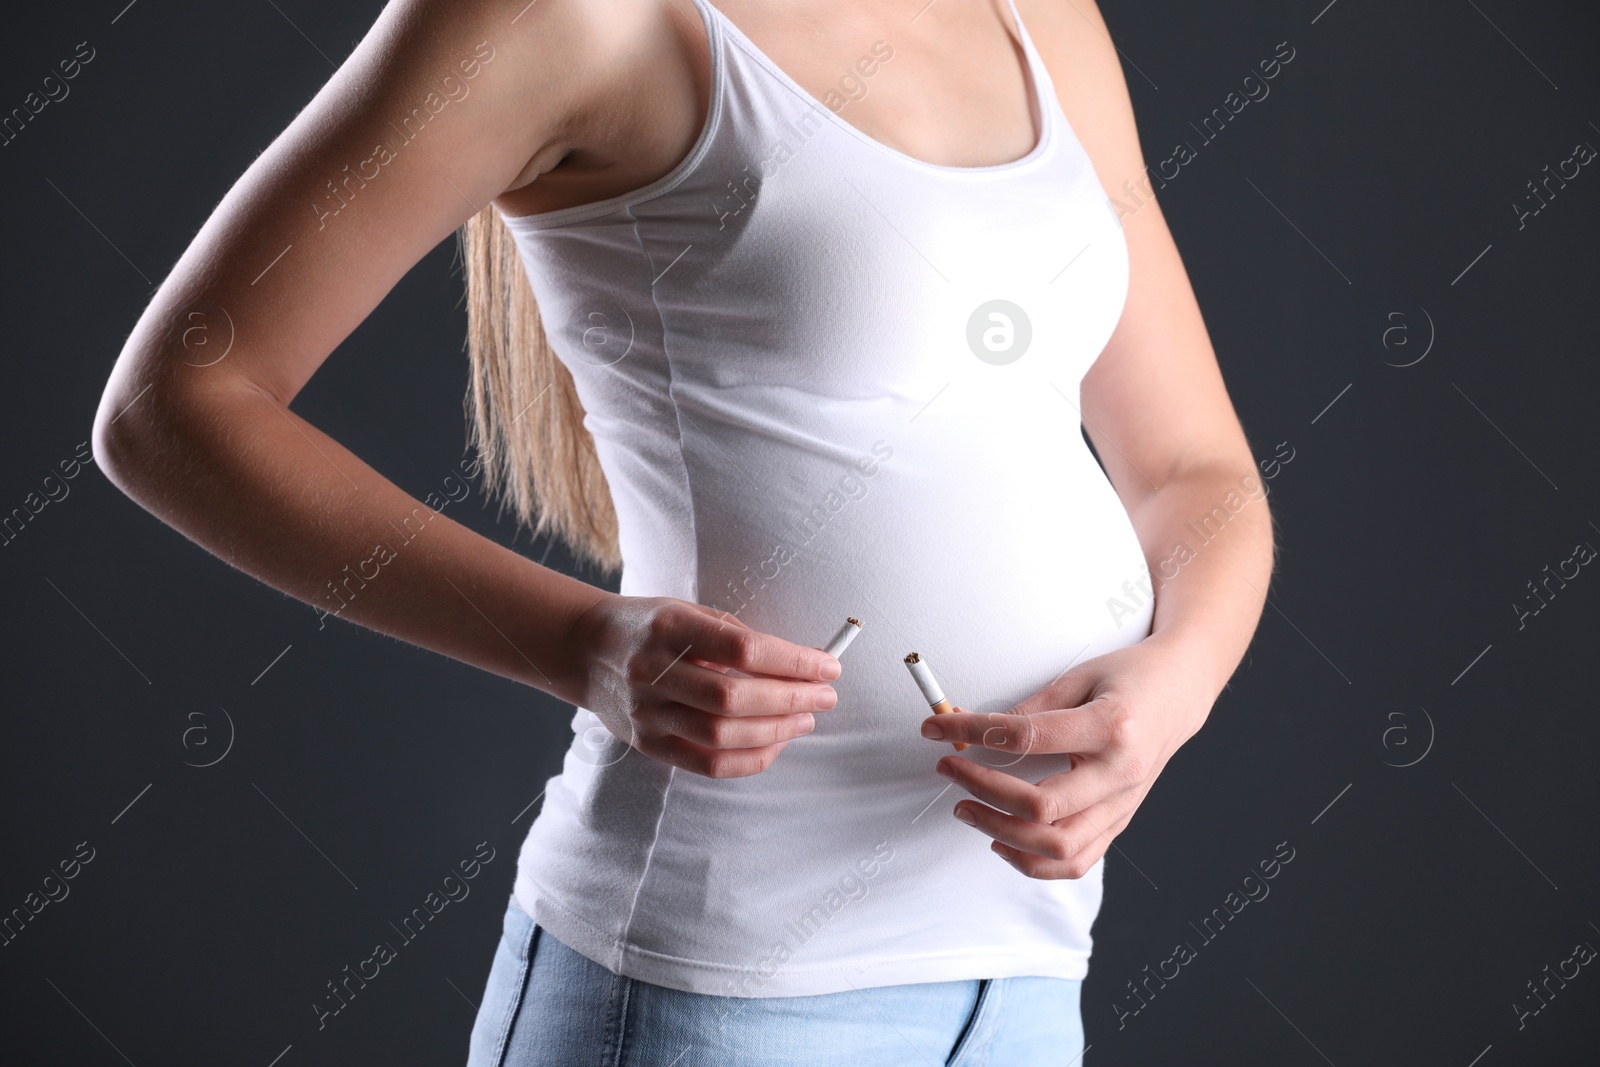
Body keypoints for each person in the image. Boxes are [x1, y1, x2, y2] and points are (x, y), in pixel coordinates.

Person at [92, 0, 1275, 1062]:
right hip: (712, 992)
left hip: (1022, 978)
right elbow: (174, 407)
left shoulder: (1043, 20)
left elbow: (1191, 468)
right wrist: (579, 644)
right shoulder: (569, 17)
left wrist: (1175, 690)